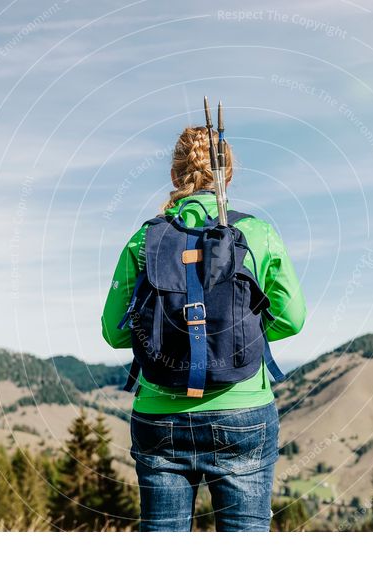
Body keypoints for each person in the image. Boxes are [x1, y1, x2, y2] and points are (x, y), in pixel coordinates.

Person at [101, 125, 305, 531]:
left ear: (176, 175)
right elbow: (291, 319)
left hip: (159, 415)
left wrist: (168, 338)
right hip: (243, 407)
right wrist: (234, 343)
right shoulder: (258, 233)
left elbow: (115, 332)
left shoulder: (144, 240)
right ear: (226, 174)